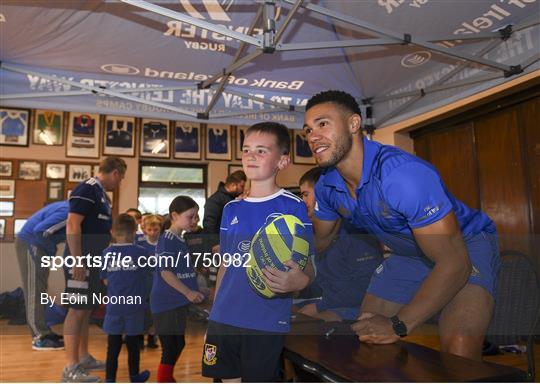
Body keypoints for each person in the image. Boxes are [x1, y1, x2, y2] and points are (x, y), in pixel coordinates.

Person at [303, 90, 500, 360]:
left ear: (353, 124)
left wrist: (399, 325)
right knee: (367, 333)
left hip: (463, 246)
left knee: (458, 353)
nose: (312, 137)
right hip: (408, 252)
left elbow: (456, 262)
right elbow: (320, 241)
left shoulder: (401, 176)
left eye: (322, 124)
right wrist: (284, 257)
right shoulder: (327, 186)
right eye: (307, 130)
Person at [201, 122, 315, 382]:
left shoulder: (294, 207)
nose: (251, 156)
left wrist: (302, 280)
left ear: (283, 161)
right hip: (224, 319)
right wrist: (213, 316)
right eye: (246, 150)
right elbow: (225, 266)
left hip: (264, 322)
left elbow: (308, 264)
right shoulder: (230, 209)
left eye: (262, 151)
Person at [61, 157, 127, 382]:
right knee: (76, 310)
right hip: (80, 260)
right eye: (121, 178)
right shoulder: (88, 188)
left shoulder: (102, 195)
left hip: (94, 261)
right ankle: (70, 368)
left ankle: (83, 357)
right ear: (116, 173)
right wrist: (77, 260)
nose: (119, 183)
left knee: (86, 309)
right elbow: (72, 224)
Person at [296, 167, 383, 322]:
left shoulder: (355, 233)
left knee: (315, 321)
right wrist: (297, 289)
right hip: (332, 301)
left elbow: (364, 289)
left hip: (360, 305)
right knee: (286, 311)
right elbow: (326, 284)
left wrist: (319, 307)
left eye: (305, 194)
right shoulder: (320, 235)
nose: (303, 202)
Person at [150, 196, 205, 383]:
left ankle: (167, 378)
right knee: (170, 347)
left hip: (178, 302)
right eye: (191, 216)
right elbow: (166, 272)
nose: (195, 220)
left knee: (178, 343)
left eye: (197, 216)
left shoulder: (180, 240)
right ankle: (164, 380)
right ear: (174, 215)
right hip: (166, 303)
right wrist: (188, 292)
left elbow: (185, 271)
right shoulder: (167, 239)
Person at [101, 214, 150, 383]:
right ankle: (134, 376)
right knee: (133, 344)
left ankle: (110, 379)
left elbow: (105, 279)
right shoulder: (142, 253)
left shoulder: (106, 253)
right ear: (134, 232)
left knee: (112, 345)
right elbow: (147, 277)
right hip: (134, 307)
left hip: (114, 306)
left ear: (112, 232)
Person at [16, 200, 69, 350]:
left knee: (40, 289)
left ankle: (44, 331)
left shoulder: (69, 208)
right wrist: (50, 250)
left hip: (37, 246)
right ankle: (39, 337)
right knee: (35, 291)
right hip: (32, 243)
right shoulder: (69, 211)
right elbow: (41, 230)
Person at [137, 214, 164, 349]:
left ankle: (152, 337)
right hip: (143, 281)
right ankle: (140, 336)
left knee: (156, 311)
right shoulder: (140, 243)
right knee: (142, 311)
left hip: (159, 282)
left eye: (156, 230)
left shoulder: (163, 243)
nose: (153, 233)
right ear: (145, 230)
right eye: (150, 230)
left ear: (160, 229)